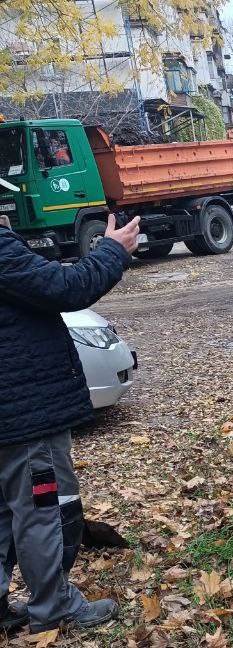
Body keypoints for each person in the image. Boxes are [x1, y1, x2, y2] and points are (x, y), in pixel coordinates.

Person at [0, 213, 140, 635]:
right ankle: (55, 608)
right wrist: (114, 250)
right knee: (40, 510)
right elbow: (67, 287)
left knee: (4, 513)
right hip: (23, 415)